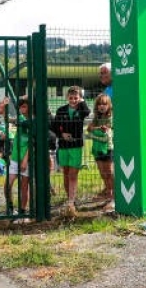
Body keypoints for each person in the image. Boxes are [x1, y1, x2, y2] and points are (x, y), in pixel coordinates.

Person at [50, 86, 90, 216]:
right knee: (66, 173)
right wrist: (62, 134)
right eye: (71, 98)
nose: (73, 100)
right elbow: (54, 127)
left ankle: (72, 201)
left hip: (76, 146)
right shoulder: (61, 110)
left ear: (80, 98)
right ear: (67, 97)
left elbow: (87, 111)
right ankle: (70, 200)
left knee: (73, 174)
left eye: (76, 98)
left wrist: (82, 101)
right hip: (63, 146)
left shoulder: (81, 109)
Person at [5, 98, 33, 223]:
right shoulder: (20, 118)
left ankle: (22, 212)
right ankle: (11, 209)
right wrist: (4, 107)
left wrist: (25, 160)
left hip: (26, 158)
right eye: (21, 107)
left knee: (24, 186)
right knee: (8, 184)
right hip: (15, 157)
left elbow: (33, 142)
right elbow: (8, 119)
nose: (22, 109)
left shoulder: (33, 120)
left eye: (25, 106)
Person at [86, 93, 114, 210]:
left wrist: (95, 129)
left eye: (104, 104)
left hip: (107, 149)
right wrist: (98, 128)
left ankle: (114, 197)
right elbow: (89, 128)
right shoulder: (96, 118)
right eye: (99, 104)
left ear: (109, 106)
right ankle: (108, 194)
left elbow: (107, 129)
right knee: (103, 173)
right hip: (97, 148)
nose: (102, 106)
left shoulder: (111, 117)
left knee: (109, 173)